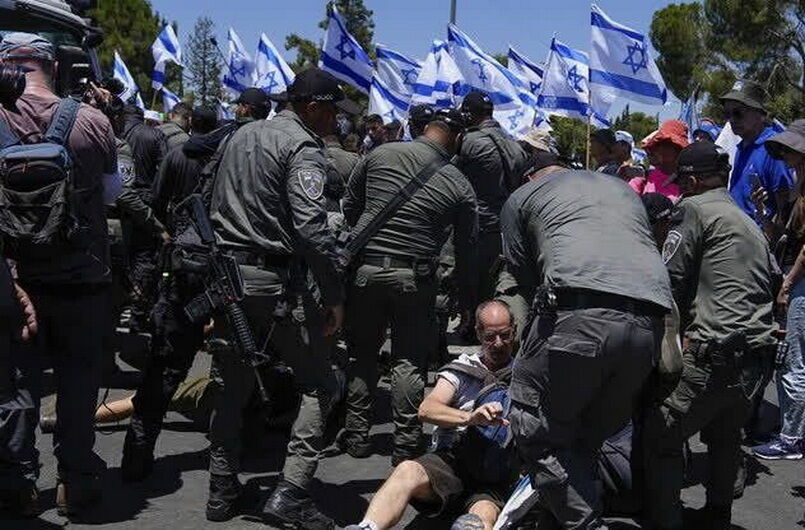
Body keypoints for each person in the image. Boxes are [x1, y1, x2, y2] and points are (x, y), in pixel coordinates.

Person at [207, 68, 345, 528]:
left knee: (233, 385)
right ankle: (292, 490)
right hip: (273, 281)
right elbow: (310, 227)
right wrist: (333, 293)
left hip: (228, 277)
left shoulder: (239, 135)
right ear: (312, 107)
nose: (335, 122)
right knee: (319, 384)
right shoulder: (302, 146)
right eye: (330, 111)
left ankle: (221, 488)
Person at [500, 161, 671, 528]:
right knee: (584, 440)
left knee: (537, 432)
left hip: (577, 318)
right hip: (648, 326)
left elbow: (524, 274)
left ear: (531, 175)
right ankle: (558, 518)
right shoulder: (624, 191)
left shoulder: (524, 195)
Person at [0, 32, 120, 517]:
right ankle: (75, 480)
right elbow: (113, 196)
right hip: (82, 276)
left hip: (13, 281)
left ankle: (19, 484)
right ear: (53, 66)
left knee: (15, 384)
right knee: (77, 382)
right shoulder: (92, 121)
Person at [642, 141, 776, 530]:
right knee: (724, 436)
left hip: (713, 351)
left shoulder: (693, 210)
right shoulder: (745, 218)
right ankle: (718, 517)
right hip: (755, 355)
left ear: (692, 180)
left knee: (661, 436)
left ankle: (665, 522)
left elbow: (668, 279)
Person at [341, 108, 479, 465]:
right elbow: (467, 248)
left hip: (365, 271)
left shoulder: (380, 153)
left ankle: (357, 434)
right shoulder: (458, 183)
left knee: (362, 355)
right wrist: (466, 299)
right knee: (408, 361)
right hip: (415, 280)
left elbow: (352, 207)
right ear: (457, 138)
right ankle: (405, 442)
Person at [345, 301, 517, 530]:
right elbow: (427, 409)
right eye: (490, 336)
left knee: (481, 515)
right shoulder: (463, 370)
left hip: (494, 474)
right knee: (407, 469)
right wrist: (470, 418)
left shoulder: (526, 375)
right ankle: (367, 527)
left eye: (505, 335)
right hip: (452, 463)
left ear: (514, 330)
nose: (498, 343)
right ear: (477, 333)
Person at [120, 105, 220, 482]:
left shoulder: (178, 154)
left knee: (164, 367)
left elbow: (157, 201)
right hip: (212, 269)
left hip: (185, 267)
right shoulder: (227, 157)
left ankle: (138, 453)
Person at [753, 120, 805, 459]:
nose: (783, 154)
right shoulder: (797, 189)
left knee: (793, 360)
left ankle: (791, 439)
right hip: (795, 278)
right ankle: (792, 432)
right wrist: (762, 210)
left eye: (789, 148)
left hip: (800, 281)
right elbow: (783, 237)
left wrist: (787, 284)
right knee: (792, 359)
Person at [457, 90, 528, 319]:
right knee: (495, 278)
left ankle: (473, 323)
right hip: (506, 224)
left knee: (471, 278)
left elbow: (449, 176)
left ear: (469, 114)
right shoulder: (514, 145)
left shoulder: (470, 142)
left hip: (477, 222)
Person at [121, 102, 168, 330]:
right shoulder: (154, 135)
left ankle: (121, 304)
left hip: (114, 205)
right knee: (143, 258)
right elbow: (164, 170)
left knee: (120, 256)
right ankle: (138, 311)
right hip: (144, 202)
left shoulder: (111, 131)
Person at [721, 79, 794, 225]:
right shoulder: (741, 147)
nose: (731, 120)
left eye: (738, 113)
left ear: (760, 114)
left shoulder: (773, 148)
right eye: (727, 114)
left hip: (759, 241)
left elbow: (784, 210)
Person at [629, 120, 689, 202]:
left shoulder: (688, 182)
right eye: (660, 144)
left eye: (669, 144)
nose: (662, 149)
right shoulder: (643, 179)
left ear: (679, 149)